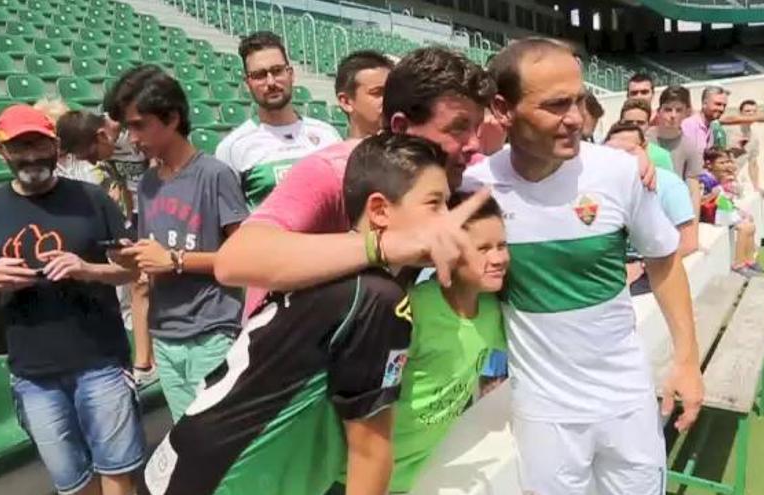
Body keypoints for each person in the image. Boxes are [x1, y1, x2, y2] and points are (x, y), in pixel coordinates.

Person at [139, 133, 445, 495]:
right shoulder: (379, 298)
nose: (447, 219)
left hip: (185, 461)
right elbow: (370, 452)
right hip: (228, 482)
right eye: (434, 204)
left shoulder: (315, 262)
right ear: (379, 210)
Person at [468, 37, 702, 495]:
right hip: (545, 413)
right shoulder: (475, 190)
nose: (575, 118)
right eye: (556, 105)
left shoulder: (617, 172)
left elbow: (664, 261)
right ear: (502, 108)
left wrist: (687, 362)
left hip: (627, 401)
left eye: (577, 100)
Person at [215, 46, 496, 317]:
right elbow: (235, 259)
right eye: (458, 127)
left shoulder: (466, 174)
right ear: (400, 127)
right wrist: (383, 247)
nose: (474, 144)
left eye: (476, 129)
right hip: (295, 356)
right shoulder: (335, 171)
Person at [0, 105, 144, 495]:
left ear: (56, 147)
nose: (31, 156)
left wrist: (86, 269)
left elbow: (132, 271)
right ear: (1, 150)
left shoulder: (93, 199)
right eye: (19, 147)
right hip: (33, 375)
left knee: (118, 471)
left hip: (101, 362)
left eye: (39, 145)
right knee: (72, 482)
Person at [107, 66, 250, 422]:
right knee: (185, 440)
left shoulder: (215, 174)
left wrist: (176, 260)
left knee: (217, 438)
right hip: (166, 334)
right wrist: (130, 258)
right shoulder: (148, 184)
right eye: (127, 127)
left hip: (211, 332)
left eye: (139, 125)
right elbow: (150, 262)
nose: (132, 137)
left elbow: (245, 256)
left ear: (172, 118)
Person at [383, 191, 508, 494]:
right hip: (358, 477)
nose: (499, 258)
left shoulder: (494, 310)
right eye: (483, 248)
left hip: (419, 476)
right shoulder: (414, 311)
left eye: (502, 246)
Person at [56, 109, 156, 384]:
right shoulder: (103, 143)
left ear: (101, 135)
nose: (89, 161)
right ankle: (145, 362)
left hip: (163, 206)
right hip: (138, 212)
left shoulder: (135, 131)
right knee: (140, 281)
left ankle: (151, 356)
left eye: (89, 154)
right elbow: (121, 181)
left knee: (148, 281)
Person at [215, 31, 341, 209]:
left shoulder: (328, 135)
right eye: (259, 75)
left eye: (277, 71)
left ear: (291, 74)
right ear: (247, 83)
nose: (271, 81)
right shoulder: (232, 148)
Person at [605, 122, 698, 295]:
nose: (621, 158)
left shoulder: (669, 185)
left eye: (629, 151)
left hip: (651, 269)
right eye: (614, 152)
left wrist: (642, 266)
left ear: (644, 149)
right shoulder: (601, 188)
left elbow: (689, 243)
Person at [699, 147, 763, 277]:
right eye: (721, 163)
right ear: (709, 164)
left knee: (750, 225)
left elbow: (730, 197)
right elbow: (699, 200)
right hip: (711, 215)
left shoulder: (722, 178)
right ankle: (738, 263)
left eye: (727, 162)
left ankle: (749, 260)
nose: (726, 166)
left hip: (723, 211)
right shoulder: (704, 180)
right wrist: (713, 194)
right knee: (744, 228)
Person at [646, 85, 704, 218]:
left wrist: (693, 228)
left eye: (678, 110)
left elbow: (693, 191)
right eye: (668, 109)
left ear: (686, 113)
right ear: (659, 111)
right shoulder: (644, 138)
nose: (673, 115)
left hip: (672, 212)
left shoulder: (690, 146)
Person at [334, 50, 393, 139]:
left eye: (391, 92)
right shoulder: (333, 153)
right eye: (377, 93)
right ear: (346, 102)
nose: (389, 99)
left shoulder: (413, 150)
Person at [725, 99, 764, 197]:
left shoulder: (754, 137)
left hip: (732, 180)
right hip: (718, 179)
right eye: (747, 111)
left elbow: (753, 164)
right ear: (740, 113)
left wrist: (756, 187)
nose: (751, 114)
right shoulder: (728, 130)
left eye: (754, 111)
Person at [619, 97, 674, 172]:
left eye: (640, 123)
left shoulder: (661, 156)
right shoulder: (609, 153)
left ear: (648, 125)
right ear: (620, 123)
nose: (634, 126)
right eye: (629, 122)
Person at [681, 85, 730, 151]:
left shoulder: (711, 127)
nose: (722, 109)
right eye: (718, 104)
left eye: (724, 105)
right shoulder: (689, 125)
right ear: (704, 103)